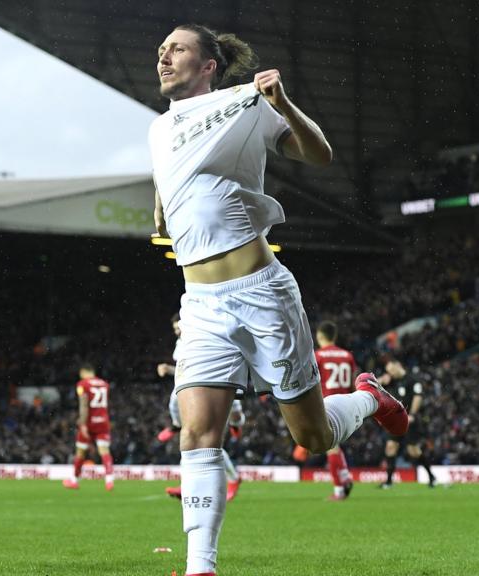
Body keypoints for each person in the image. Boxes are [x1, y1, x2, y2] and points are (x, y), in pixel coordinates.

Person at [150, 24, 408, 576]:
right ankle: (201, 566)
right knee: (197, 432)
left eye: (176, 49)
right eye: (161, 51)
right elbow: (175, 169)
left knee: (312, 437)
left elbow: (320, 154)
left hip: (260, 291)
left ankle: (368, 399)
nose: (163, 58)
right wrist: (161, 202)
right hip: (200, 302)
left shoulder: (243, 107)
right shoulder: (158, 130)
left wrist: (283, 103)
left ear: (209, 65)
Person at [158, 314, 245, 501]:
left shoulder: (208, 337)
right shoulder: (181, 344)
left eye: (178, 327)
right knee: (191, 436)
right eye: (174, 329)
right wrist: (168, 368)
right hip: (195, 392)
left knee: (210, 439)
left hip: (216, 388)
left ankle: (232, 475)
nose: (177, 332)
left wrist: (236, 419)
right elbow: (184, 369)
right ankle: (188, 484)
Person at [313, 321, 356, 500]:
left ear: (319, 336)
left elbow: (311, 382)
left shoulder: (318, 355)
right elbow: (352, 382)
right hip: (347, 403)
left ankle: (339, 489)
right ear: (335, 336)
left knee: (329, 446)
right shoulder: (347, 356)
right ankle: (345, 477)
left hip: (327, 405)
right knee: (334, 445)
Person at [379, 361, 437, 489]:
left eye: (392, 370)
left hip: (409, 420)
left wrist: (412, 414)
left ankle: (431, 476)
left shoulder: (412, 379)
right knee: (390, 447)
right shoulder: (392, 381)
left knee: (413, 451)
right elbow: (374, 387)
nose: (391, 373)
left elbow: (418, 397)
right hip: (395, 420)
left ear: (399, 365)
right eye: (389, 371)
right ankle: (388, 481)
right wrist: (381, 381)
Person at [63, 364, 115, 491]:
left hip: (89, 422)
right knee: (104, 451)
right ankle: (109, 480)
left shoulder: (82, 384)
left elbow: (84, 404)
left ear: (83, 372)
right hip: (103, 421)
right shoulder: (104, 384)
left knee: (80, 452)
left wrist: (83, 423)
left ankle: (74, 480)